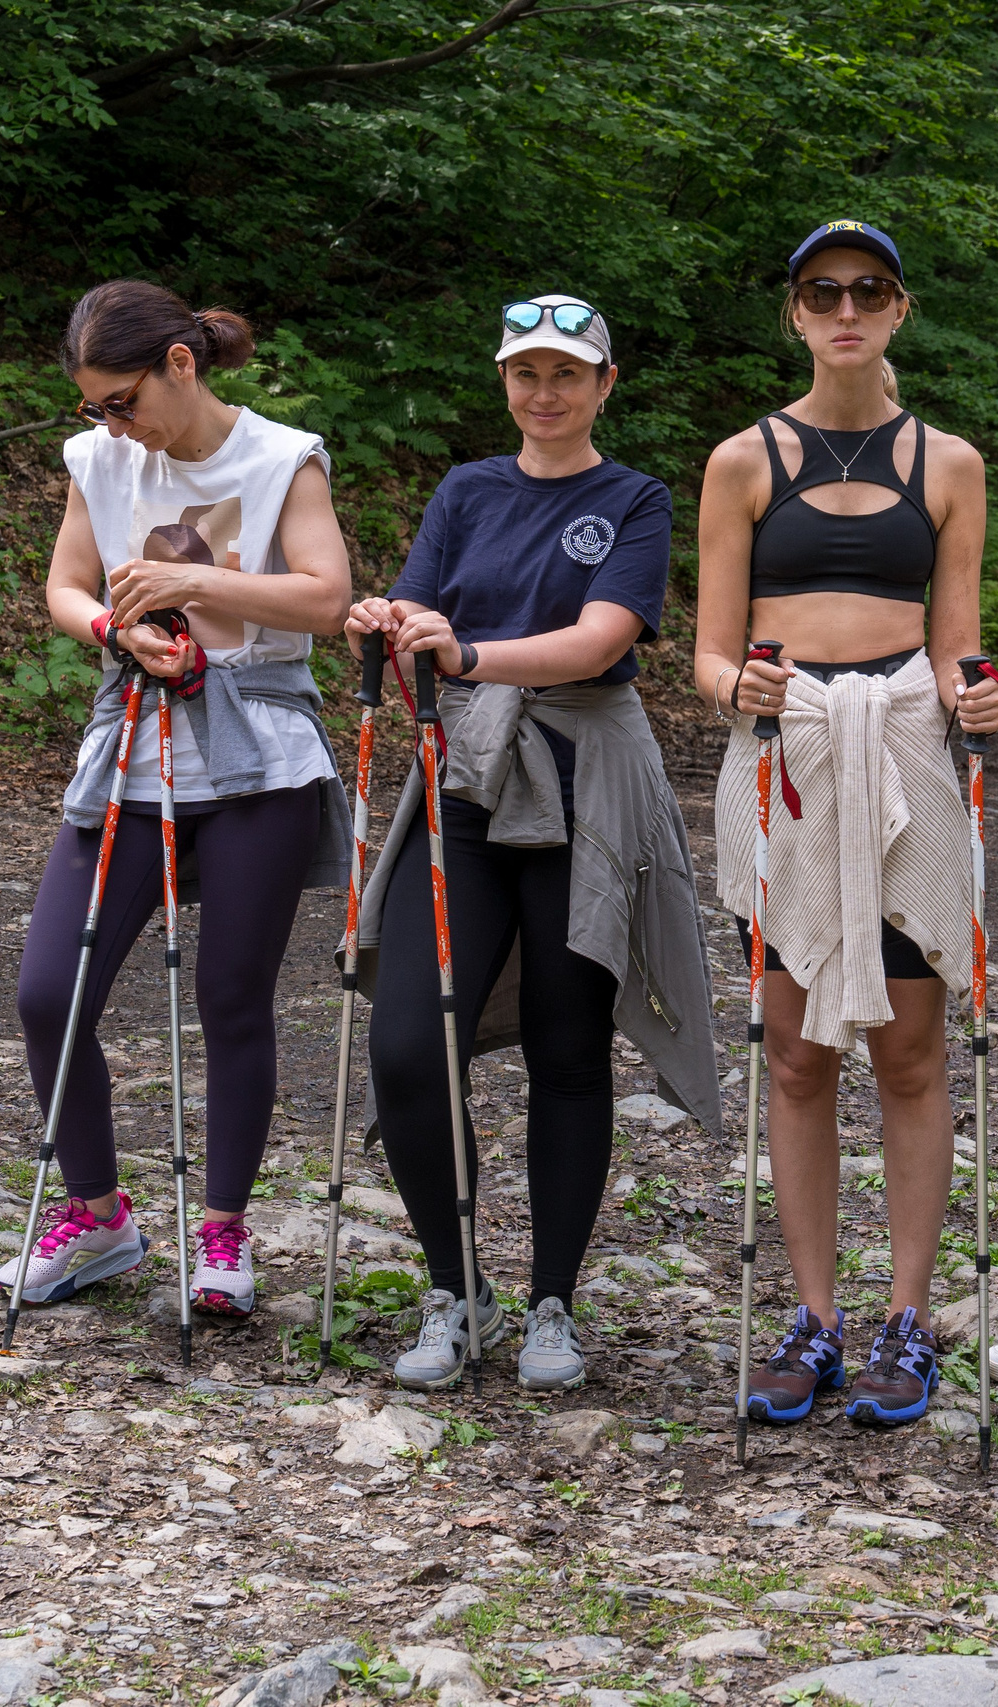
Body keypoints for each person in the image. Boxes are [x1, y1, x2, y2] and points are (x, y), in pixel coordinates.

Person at [350, 294, 718, 1392]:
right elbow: (420, 605)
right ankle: (453, 1288)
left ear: (605, 384)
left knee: (567, 1044)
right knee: (410, 1043)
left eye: (567, 373)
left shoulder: (633, 498)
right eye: (526, 373)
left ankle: (552, 1301)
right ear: (504, 381)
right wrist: (389, 623)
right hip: (463, 773)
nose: (545, 393)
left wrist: (463, 656)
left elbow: (601, 639)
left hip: (579, 777)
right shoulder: (468, 488)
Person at [694, 220, 998, 1429]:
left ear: (898, 308)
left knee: (912, 1052)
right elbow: (711, 655)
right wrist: (739, 691)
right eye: (821, 290)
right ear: (793, 312)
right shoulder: (742, 460)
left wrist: (976, 689)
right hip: (786, 757)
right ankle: (815, 1317)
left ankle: (906, 1321)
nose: (844, 308)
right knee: (794, 1050)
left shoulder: (948, 462)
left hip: (908, 755)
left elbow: (958, 638)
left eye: (867, 289)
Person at [0, 281, 354, 1318]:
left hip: (260, 754)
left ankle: (225, 1237)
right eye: (94, 407)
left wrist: (189, 588)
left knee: (230, 998)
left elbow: (323, 598)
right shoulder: (99, 461)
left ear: (179, 366)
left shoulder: (283, 455)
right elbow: (67, 587)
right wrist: (114, 629)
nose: (112, 423)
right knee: (49, 994)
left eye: (122, 400)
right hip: (132, 752)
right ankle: (99, 1218)